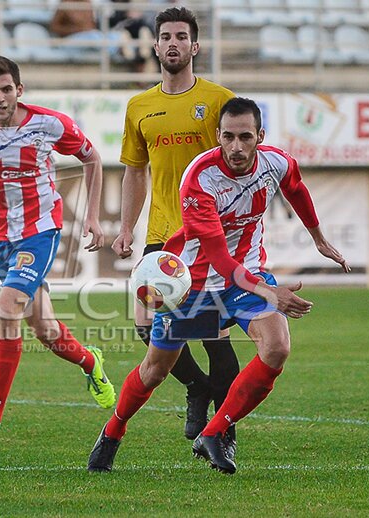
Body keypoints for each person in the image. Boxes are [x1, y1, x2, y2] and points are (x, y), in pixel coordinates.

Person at [88, 96, 351, 474]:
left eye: (245, 137)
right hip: (191, 284)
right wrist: (270, 292)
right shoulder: (200, 178)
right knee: (155, 371)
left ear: (261, 135)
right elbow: (219, 259)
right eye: (228, 137)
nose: (236, 147)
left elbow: (295, 186)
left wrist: (319, 239)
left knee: (276, 347)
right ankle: (112, 432)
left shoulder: (277, 162)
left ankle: (215, 432)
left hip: (246, 277)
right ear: (218, 136)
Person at [0, 55, 115, 442]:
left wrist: (93, 218)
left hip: (40, 231)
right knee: (45, 329)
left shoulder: (49, 123)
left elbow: (92, 159)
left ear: (20, 89)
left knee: (6, 306)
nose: (0, 98)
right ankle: (90, 361)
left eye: (7, 89)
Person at [111, 6, 238, 443]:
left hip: (211, 237)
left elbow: (242, 164)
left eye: (181, 36)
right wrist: (127, 228)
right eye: (165, 36)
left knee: (215, 335)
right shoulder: (139, 106)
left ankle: (224, 432)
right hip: (163, 236)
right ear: (155, 45)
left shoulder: (220, 101)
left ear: (194, 46)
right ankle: (196, 388)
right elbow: (134, 170)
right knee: (146, 326)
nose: (172, 43)